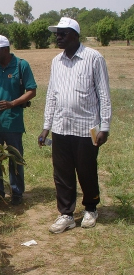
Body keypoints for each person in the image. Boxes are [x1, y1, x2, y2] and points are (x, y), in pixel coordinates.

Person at [38, 17, 112, 233]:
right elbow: (51, 95)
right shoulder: (56, 61)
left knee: (87, 170)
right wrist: (46, 126)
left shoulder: (93, 58)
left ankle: (90, 208)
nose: (58, 37)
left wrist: (104, 127)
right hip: (61, 127)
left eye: (62, 33)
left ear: (75, 35)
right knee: (62, 174)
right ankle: (66, 214)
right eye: (56, 33)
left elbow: (104, 95)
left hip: (87, 127)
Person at [0, 35, 37, 206]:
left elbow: (31, 91)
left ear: (5, 50)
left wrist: (12, 103)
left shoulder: (21, 65)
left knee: (15, 158)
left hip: (12, 122)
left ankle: (17, 192)